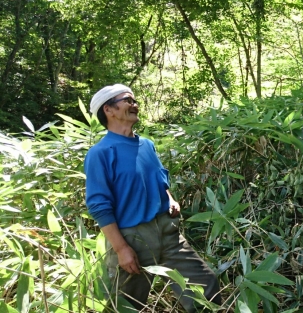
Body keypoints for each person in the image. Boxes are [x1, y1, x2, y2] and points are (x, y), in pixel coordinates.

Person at [84, 84, 221, 312]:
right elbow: (99, 205)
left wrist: (169, 198)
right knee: (126, 305)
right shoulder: (100, 153)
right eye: (128, 100)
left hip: (167, 233)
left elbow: (159, 179)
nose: (134, 105)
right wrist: (121, 249)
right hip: (132, 239)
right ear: (109, 110)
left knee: (205, 288)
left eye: (134, 100)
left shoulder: (146, 145)